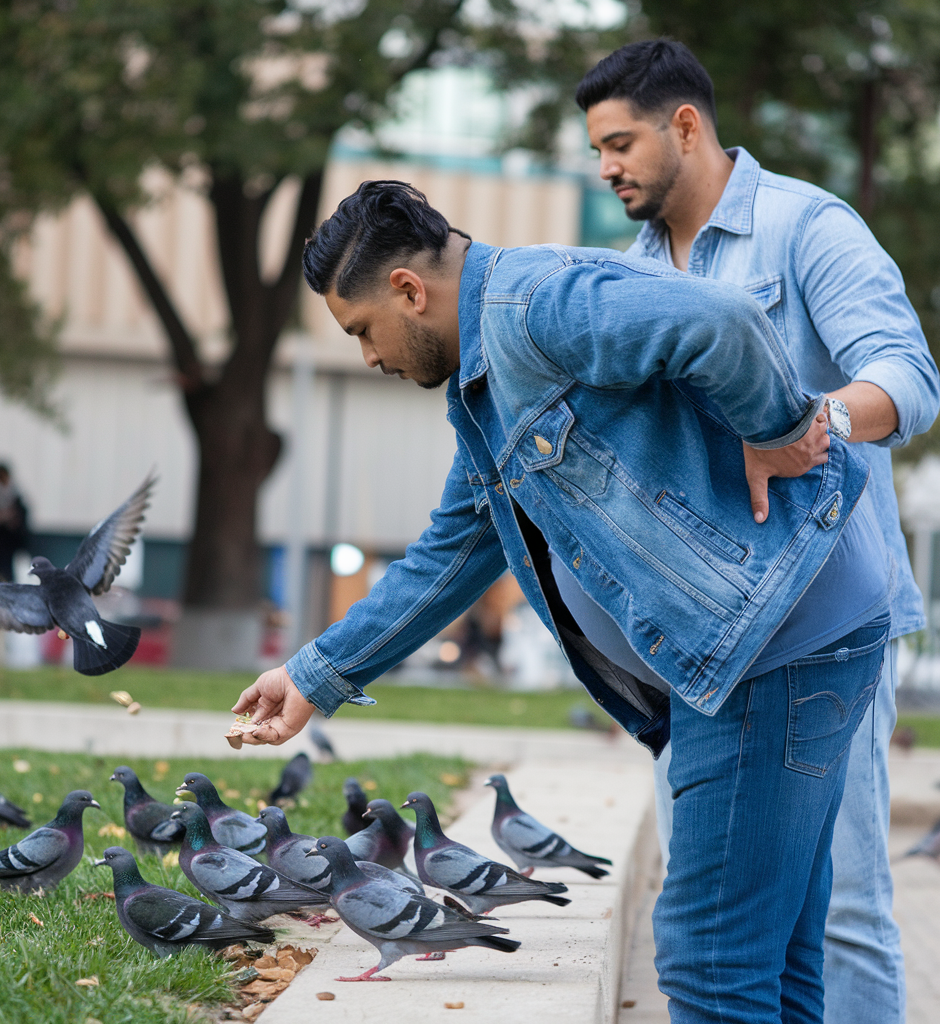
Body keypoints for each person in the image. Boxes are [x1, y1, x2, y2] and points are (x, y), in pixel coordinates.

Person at [231, 179, 892, 1022]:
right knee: (777, 959)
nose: (368, 355)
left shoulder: (536, 305)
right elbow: (454, 552)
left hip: (774, 648)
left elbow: (724, 324)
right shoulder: (487, 379)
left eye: (362, 330)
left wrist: (777, 426)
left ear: (407, 290)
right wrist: (316, 674)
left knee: (709, 963)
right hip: (791, 637)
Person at [575, 39, 940, 1024]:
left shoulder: (806, 228)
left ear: (683, 126)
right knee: (724, 916)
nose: (604, 167)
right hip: (697, 637)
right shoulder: (629, 272)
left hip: (826, 627)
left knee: (845, 906)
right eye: (596, 150)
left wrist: (803, 426)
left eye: (618, 144)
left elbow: (907, 379)